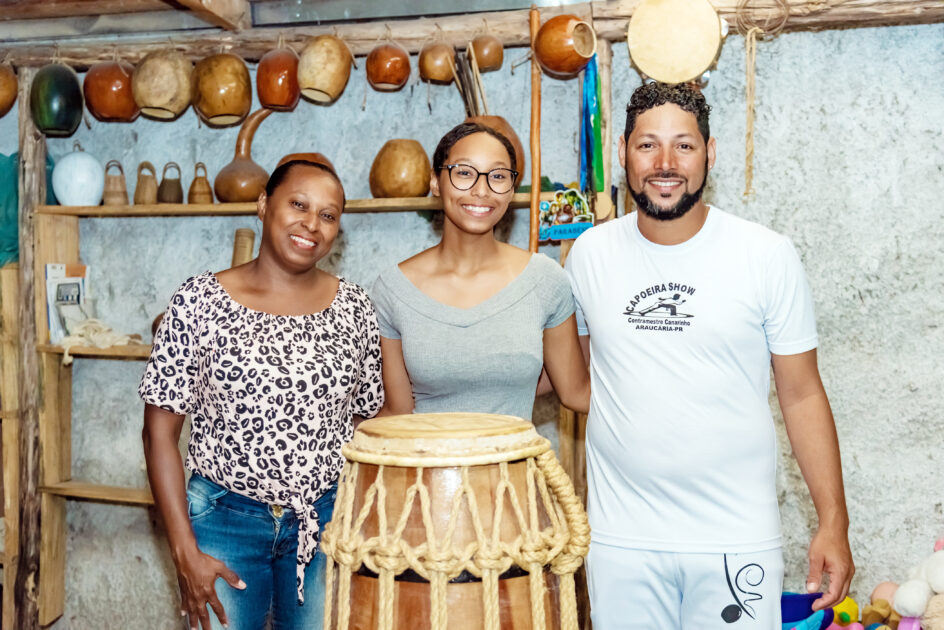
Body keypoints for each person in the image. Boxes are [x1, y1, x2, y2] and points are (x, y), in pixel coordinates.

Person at [564, 83, 853, 629]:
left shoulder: (765, 255)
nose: (665, 163)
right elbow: (576, 379)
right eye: (648, 146)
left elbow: (802, 393)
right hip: (623, 543)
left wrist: (833, 522)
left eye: (684, 146)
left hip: (735, 539)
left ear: (710, 153)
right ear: (623, 151)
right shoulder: (589, 255)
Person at [139, 159, 383, 630]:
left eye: (329, 215)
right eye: (298, 204)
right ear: (262, 205)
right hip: (223, 520)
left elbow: (366, 423)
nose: (312, 224)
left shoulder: (355, 308)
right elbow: (158, 434)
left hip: (324, 521)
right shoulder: (198, 302)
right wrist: (185, 551)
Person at [372, 121, 590, 419]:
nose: (481, 190)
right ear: (435, 181)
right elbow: (398, 412)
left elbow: (577, 392)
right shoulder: (393, 289)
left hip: (513, 464)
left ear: (512, 188)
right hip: (424, 463)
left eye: (498, 176)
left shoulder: (545, 280)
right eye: (464, 173)